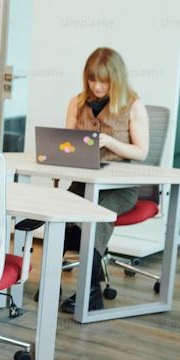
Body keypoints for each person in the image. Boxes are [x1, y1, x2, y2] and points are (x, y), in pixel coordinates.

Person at [60, 47, 149, 313]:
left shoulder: (133, 105)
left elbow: (141, 152)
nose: (97, 86)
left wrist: (110, 141)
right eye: (92, 80)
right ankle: (53, 281)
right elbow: (66, 144)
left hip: (120, 186)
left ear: (116, 79)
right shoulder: (76, 103)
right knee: (62, 212)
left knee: (94, 215)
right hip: (84, 181)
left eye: (103, 81)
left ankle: (90, 291)